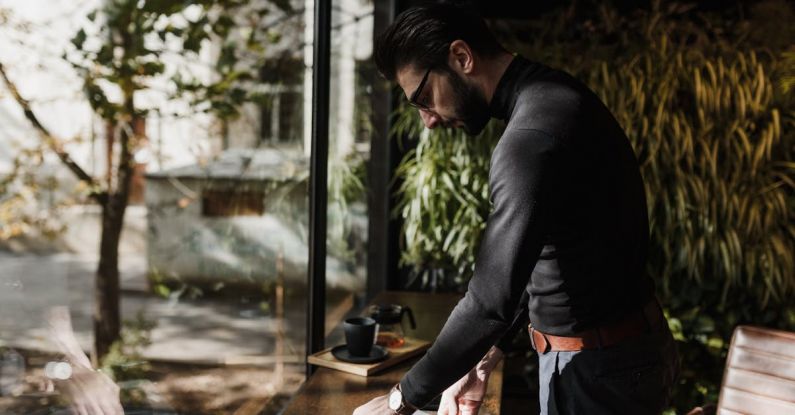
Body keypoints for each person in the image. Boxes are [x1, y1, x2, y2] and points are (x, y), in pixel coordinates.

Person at [353, 4, 679, 415]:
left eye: (423, 97)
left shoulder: (529, 139)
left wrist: (399, 401)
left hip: (595, 369)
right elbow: (550, 257)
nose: (428, 121)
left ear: (461, 57)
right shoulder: (556, 98)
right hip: (616, 357)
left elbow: (490, 300)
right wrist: (485, 357)